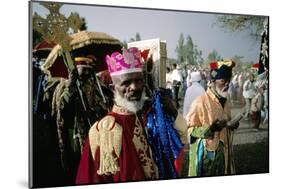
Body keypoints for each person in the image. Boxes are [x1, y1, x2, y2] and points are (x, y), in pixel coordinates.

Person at [76, 47, 188, 184]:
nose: (134, 87)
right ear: (113, 88)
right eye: (126, 83)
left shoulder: (139, 117)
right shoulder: (105, 130)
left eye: (138, 80)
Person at [51, 56, 111, 184]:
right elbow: (61, 109)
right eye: (83, 70)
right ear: (76, 70)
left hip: (95, 133)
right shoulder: (64, 86)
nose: (87, 74)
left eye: (89, 70)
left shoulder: (96, 86)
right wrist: (71, 88)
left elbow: (105, 106)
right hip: (75, 137)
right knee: (78, 169)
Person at [185, 60, 240, 177]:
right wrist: (210, 129)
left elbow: (226, 122)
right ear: (213, 81)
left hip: (223, 153)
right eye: (223, 80)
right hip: (207, 158)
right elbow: (189, 129)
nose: (227, 84)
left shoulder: (226, 101)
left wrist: (231, 125)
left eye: (228, 81)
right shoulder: (200, 102)